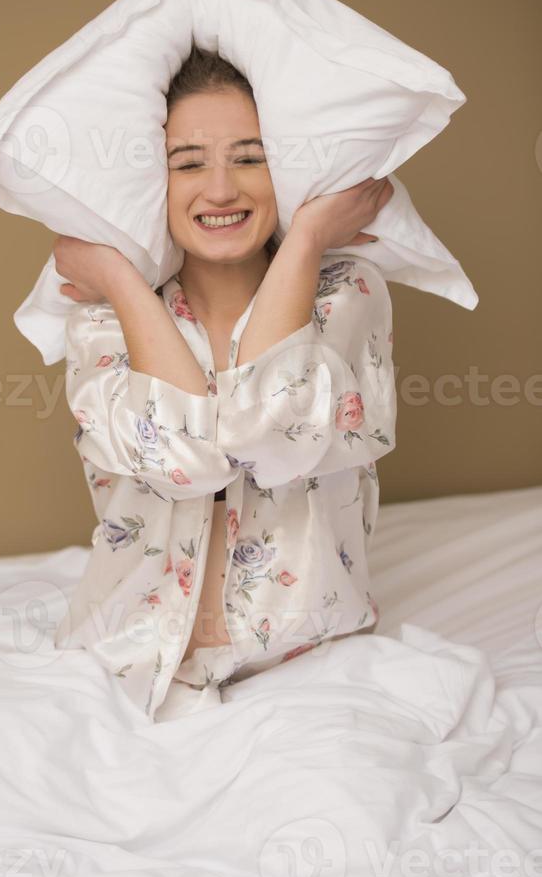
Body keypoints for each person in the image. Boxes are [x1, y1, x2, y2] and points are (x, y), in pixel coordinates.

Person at [52, 44, 396, 722]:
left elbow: (271, 434)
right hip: (129, 662)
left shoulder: (347, 296)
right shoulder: (103, 324)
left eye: (249, 158)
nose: (220, 190)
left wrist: (306, 240)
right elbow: (184, 463)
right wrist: (123, 281)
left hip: (306, 664)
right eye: (189, 165)